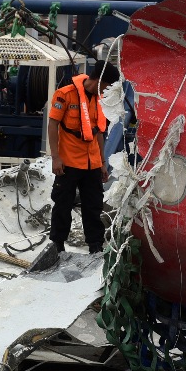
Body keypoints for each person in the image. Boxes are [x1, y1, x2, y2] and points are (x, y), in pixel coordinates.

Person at [47, 61, 120, 254]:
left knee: (94, 206)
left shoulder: (100, 100)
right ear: (99, 81)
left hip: (93, 163)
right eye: (106, 86)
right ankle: (57, 245)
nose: (106, 91)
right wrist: (55, 157)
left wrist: (103, 163)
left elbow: (99, 132)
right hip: (69, 162)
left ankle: (95, 246)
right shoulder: (64, 95)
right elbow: (52, 125)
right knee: (62, 204)